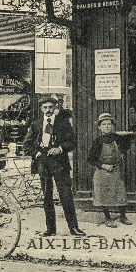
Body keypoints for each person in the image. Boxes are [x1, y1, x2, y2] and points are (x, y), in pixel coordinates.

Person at [23, 96, 85, 237]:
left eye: (51, 107)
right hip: (43, 164)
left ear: (55, 107)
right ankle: (50, 229)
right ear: (41, 109)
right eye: (45, 107)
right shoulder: (36, 125)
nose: (48, 110)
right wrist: (36, 152)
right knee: (47, 197)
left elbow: (73, 142)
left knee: (66, 196)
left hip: (60, 164)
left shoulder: (63, 123)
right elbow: (27, 144)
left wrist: (61, 148)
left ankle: (74, 228)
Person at [87, 113, 132, 227]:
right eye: (104, 124)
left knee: (120, 193)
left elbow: (126, 145)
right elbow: (91, 159)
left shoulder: (117, 138)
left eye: (109, 124)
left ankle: (123, 216)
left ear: (112, 126)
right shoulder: (97, 141)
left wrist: (121, 151)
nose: (106, 126)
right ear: (99, 127)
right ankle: (107, 218)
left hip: (116, 170)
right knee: (103, 195)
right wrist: (103, 166)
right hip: (102, 171)